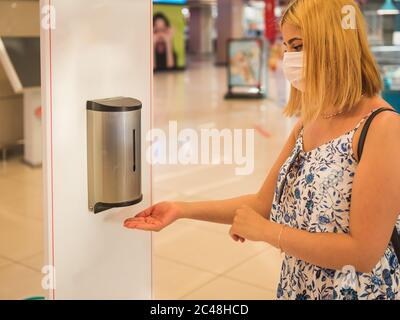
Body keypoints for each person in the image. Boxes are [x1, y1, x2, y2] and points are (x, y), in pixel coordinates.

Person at [125, 0, 400, 300]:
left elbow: (363, 252)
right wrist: (181, 210)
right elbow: (262, 204)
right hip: (299, 287)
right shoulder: (309, 121)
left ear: (332, 44)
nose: (288, 58)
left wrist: (269, 233)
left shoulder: (382, 128)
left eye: (297, 46)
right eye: (285, 47)